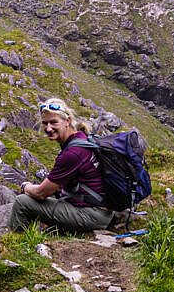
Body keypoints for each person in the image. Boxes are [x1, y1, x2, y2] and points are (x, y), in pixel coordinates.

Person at [8, 98, 114, 233]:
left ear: (67, 121)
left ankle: (19, 247)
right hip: (98, 207)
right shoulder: (82, 138)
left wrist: (25, 186)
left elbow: (40, 193)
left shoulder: (72, 153)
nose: (48, 128)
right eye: (45, 123)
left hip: (93, 214)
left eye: (53, 122)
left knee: (22, 202)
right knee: (49, 194)